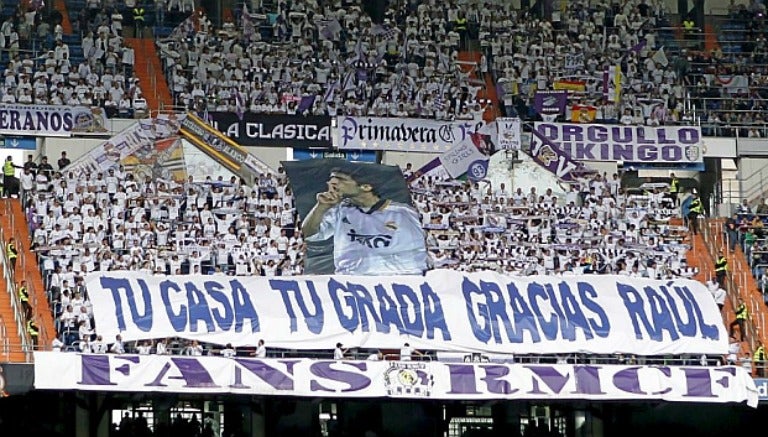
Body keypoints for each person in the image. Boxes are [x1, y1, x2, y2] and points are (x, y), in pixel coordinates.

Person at [302, 166, 428, 276]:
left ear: (366, 187)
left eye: (340, 179)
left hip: (391, 284)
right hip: (348, 284)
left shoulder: (402, 214)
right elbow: (310, 235)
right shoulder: (341, 209)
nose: (331, 183)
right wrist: (321, 207)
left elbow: (415, 257)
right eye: (331, 178)